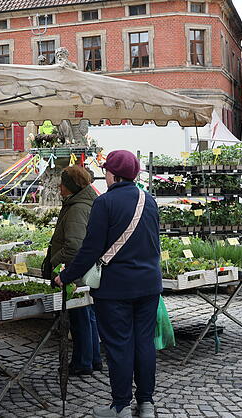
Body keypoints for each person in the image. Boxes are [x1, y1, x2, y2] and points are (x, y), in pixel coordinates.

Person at [55, 150, 161, 418]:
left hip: (115, 289)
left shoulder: (105, 203)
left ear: (111, 174)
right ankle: (146, 403)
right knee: (144, 343)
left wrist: (66, 276)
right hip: (149, 285)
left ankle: (121, 405)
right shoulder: (148, 201)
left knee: (120, 345)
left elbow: (90, 249)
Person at [42, 166, 102, 376]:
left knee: (79, 317)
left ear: (70, 187)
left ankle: (82, 362)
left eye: (62, 183)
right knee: (87, 314)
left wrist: (54, 262)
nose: (59, 187)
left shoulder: (77, 207)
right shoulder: (82, 202)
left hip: (74, 269)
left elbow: (74, 246)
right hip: (82, 268)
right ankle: (93, 359)